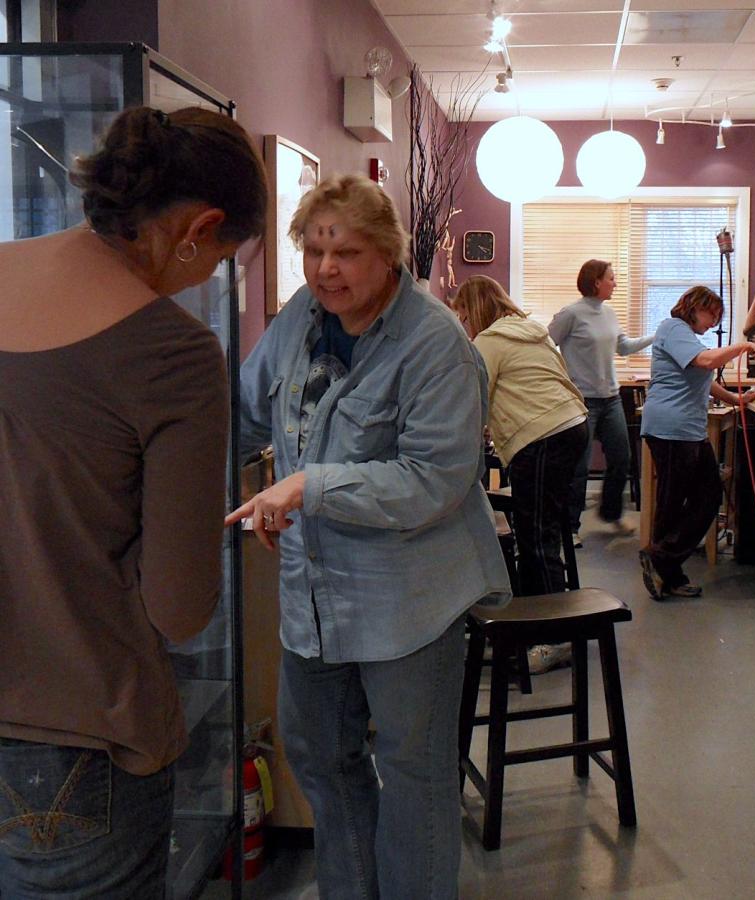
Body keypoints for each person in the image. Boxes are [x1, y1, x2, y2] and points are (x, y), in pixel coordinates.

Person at [0, 106, 268, 896]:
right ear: (200, 227)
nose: (212, 276)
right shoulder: (174, 354)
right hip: (79, 733)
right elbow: (180, 607)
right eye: (223, 256)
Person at [226, 174, 510, 899]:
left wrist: (309, 486)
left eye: (347, 252)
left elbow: (432, 480)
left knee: (414, 775)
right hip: (314, 597)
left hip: (409, 602)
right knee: (322, 760)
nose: (327, 269)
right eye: (314, 250)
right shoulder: (300, 318)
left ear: (388, 254)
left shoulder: (435, 344)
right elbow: (247, 412)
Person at [452, 276, 588, 674]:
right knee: (540, 532)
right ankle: (536, 626)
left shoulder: (488, 343)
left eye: (462, 316)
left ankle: (553, 639)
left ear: (473, 311)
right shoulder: (533, 333)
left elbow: (471, 400)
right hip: (571, 426)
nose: (463, 325)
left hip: (542, 436)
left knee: (536, 538)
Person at [638, 286, 755, 601]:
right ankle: (665, 567)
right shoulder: (673, 329)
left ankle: (662, 560)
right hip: (670, 428)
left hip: (688, 430)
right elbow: (707, 362)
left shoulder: (687, 337)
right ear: (695, 307)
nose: (713, 323)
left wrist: (736, 399)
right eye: (712, 315)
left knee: (708, 497)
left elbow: (703, 380)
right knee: (673, 501)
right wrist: (743, 346)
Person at [549, 259, 653, 546]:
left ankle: (610, 514)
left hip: (611, 399)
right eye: (611, 278)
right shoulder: (571, 314)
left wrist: (657, 336)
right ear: (596, 281)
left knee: (622, 460)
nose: (615, 283)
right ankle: (569, 527)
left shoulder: (608, 313)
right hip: (582, 401)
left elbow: (624, 347)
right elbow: (546, 344)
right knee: (578, 467)